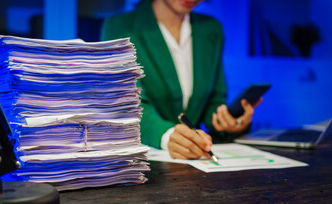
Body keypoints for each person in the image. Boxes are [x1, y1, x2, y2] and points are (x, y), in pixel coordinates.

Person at [101, 0, 261, 159]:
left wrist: (228, 122)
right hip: (144, 161)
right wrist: (167, 135)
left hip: (196, 160)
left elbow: (214, 100)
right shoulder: (119, 27)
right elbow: (125, 104)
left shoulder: (211, 29)